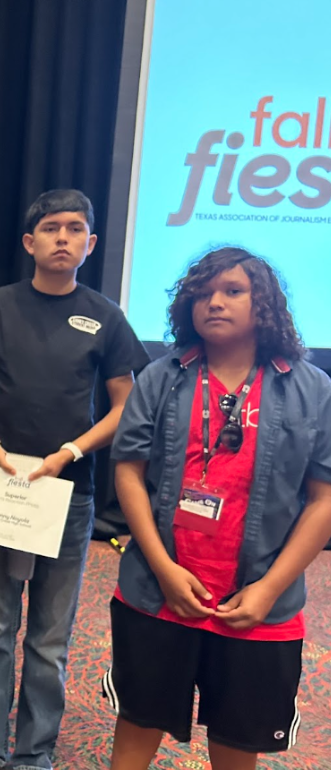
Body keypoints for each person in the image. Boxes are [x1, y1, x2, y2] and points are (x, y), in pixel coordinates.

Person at [104, 248, 331, 770]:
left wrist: (268, 589)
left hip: (257, 607)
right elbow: (129, 473)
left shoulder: (311, 389)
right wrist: (164, 571)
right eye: (202, 293)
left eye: (233, 291)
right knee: (137, 728)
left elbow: (323, 500)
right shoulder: (162, 378)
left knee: (236, 743)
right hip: (156, 594)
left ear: (265, 304)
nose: (214, 303)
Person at [0, 190, 150, 770]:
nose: (62, 237)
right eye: (50, 228)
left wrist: (69, 451)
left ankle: (34, 752)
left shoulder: (107, 315)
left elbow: (126, 405)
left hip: (69, 493)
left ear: (90, 245)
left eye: (75, 229)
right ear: (30, 242)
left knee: (48, 637)